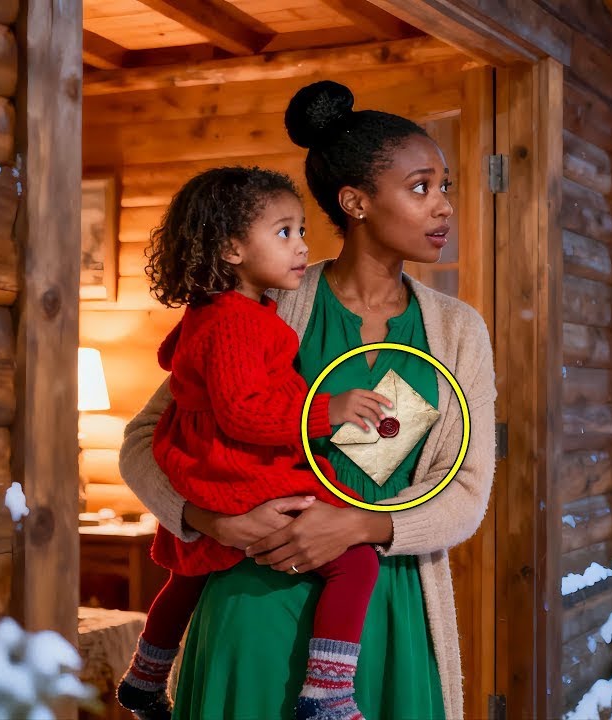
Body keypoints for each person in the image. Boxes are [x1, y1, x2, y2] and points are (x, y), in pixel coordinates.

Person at [119, 80, 496, 720]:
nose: (444, 207)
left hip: (388, 607)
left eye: (446, 187)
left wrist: (363, 526)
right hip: (252, 603)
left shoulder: (459, 331)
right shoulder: (265, 307)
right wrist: (208, 520)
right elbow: (146, 440)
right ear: (355, 202)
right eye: (421, 187)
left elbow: (466, 491)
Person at [115, 166, 396, 720]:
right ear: (232, 249)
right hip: (237, 470)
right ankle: (328, 693)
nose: (302, 247)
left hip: (205, 467)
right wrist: (328, 409)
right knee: (357, 562)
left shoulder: (215, 313)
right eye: (285, 232)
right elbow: (244, 412)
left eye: (301, 231)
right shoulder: (240, 322)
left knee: (190, 571)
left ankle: (145, 676)